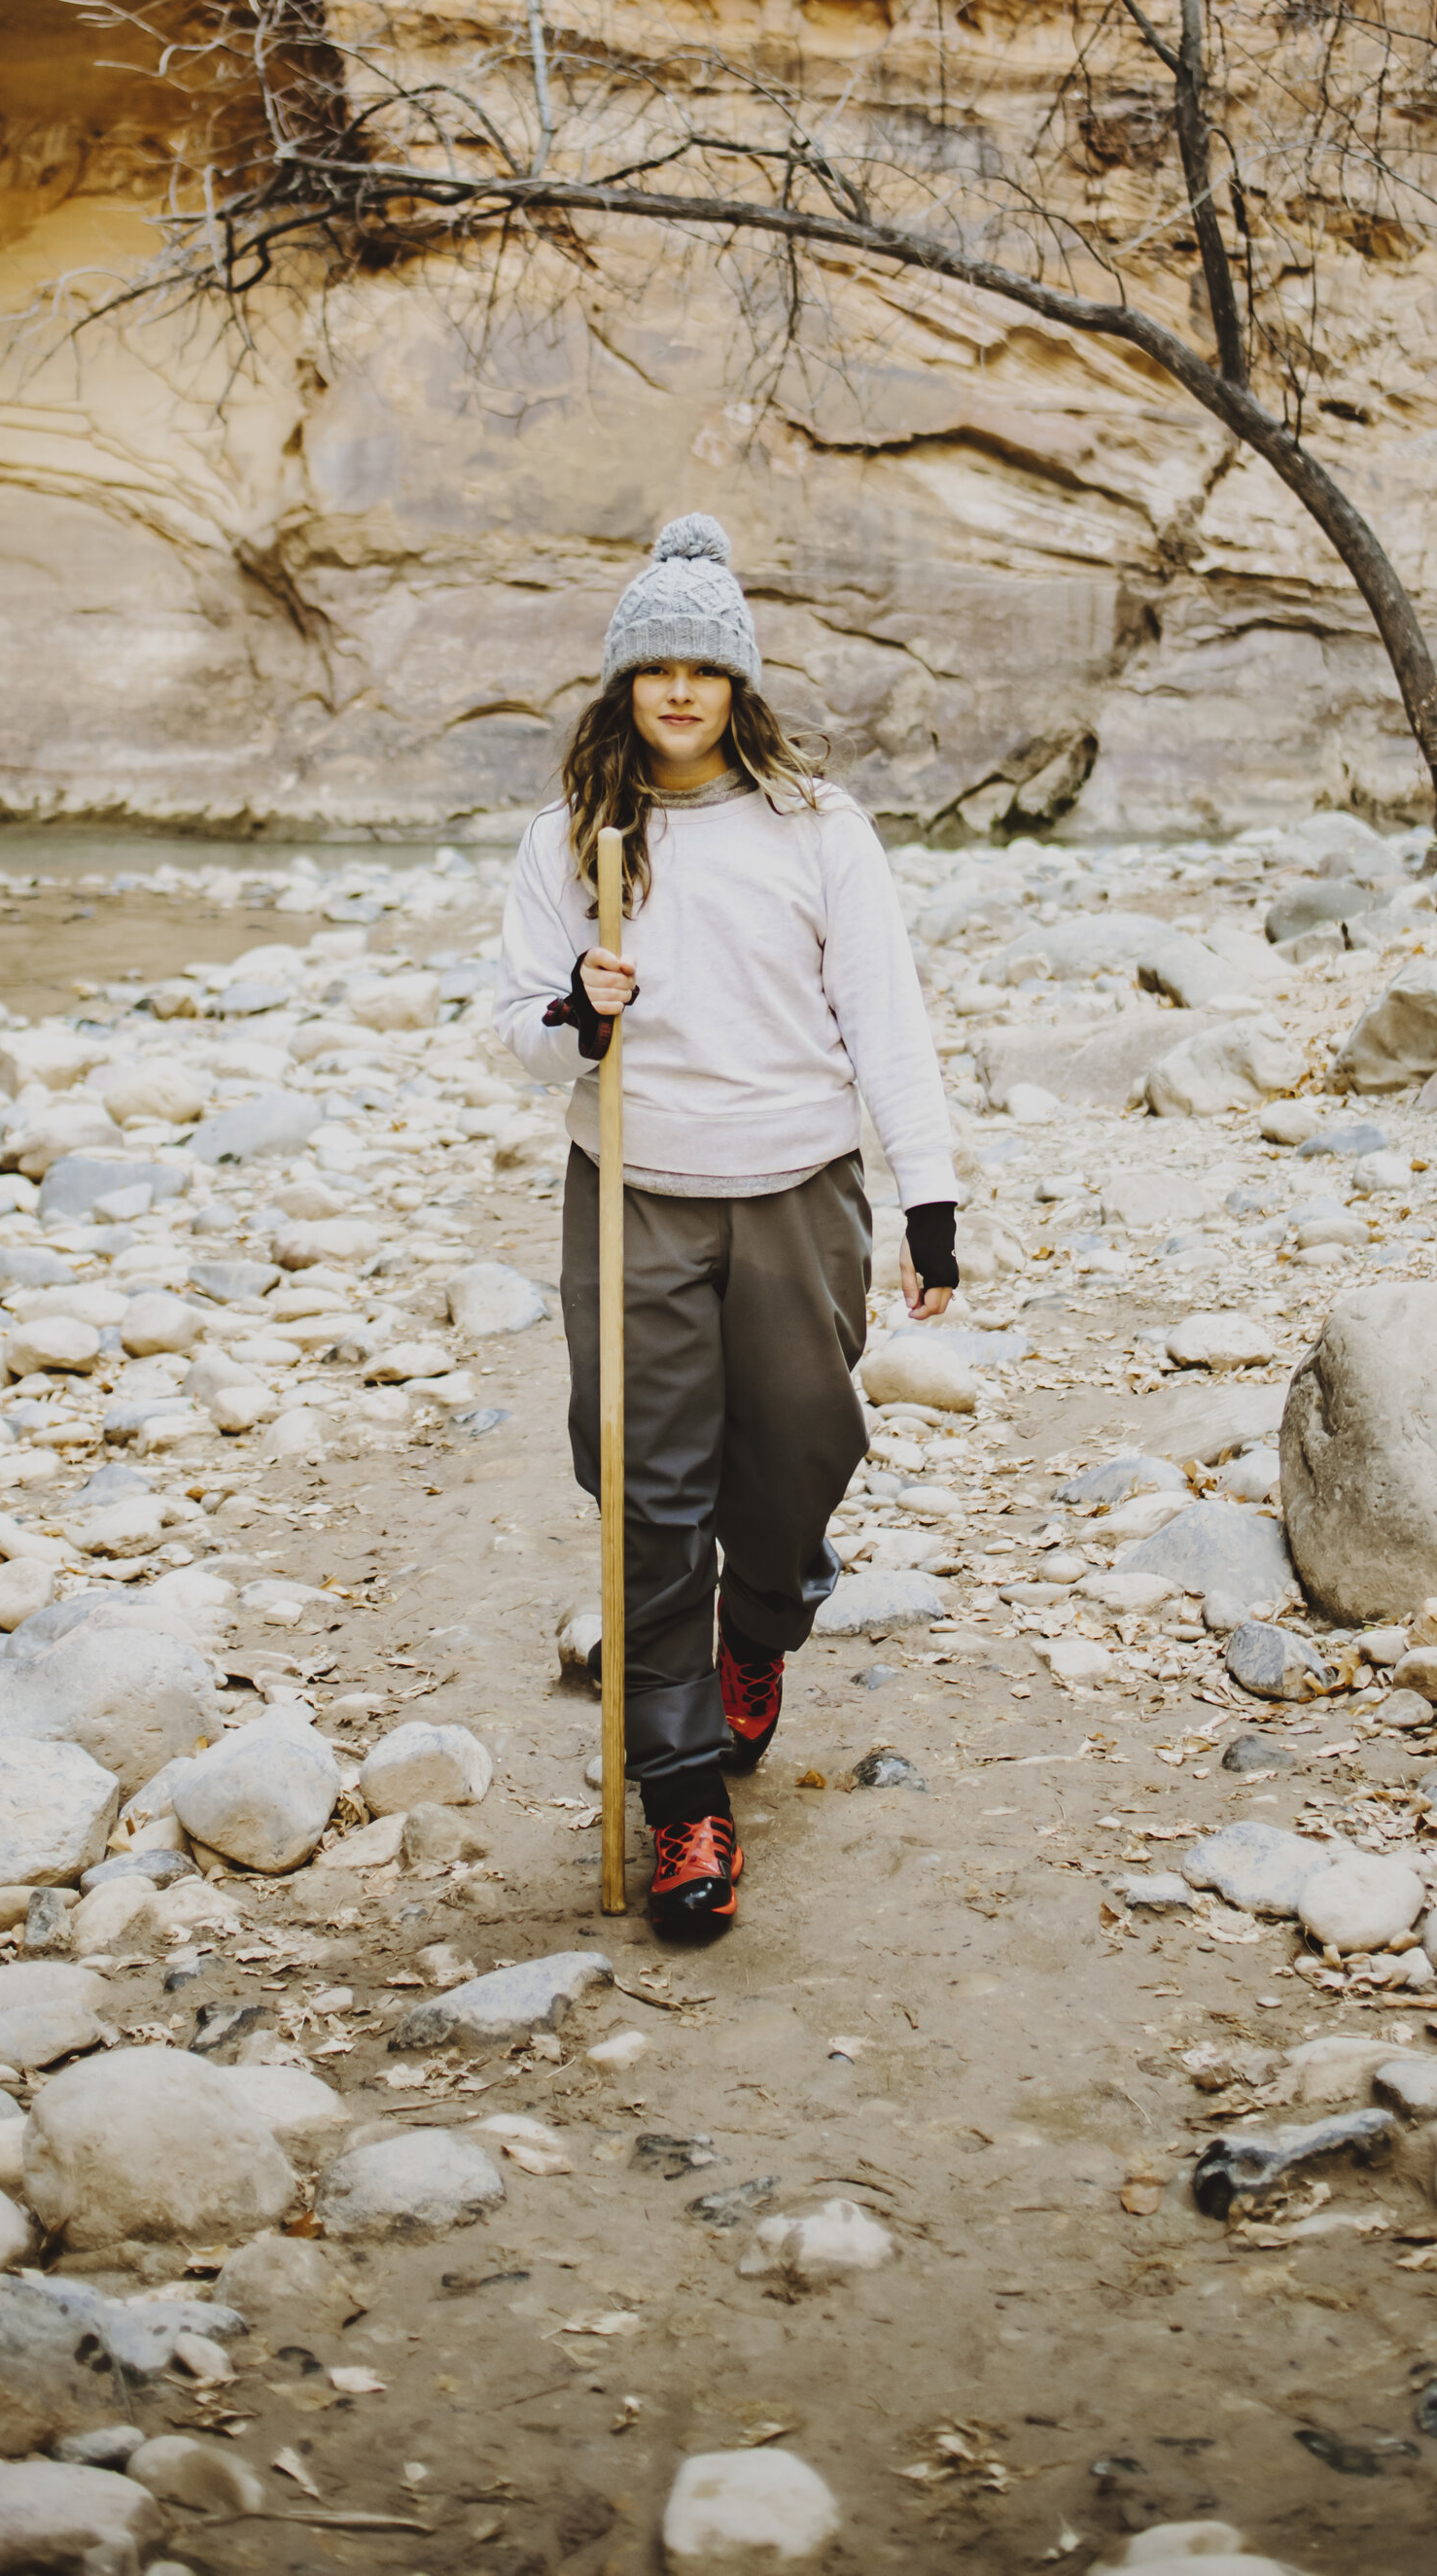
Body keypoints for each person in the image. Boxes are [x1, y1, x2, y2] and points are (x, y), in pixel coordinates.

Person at [494, 514, 958, 1941]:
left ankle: (761, 1619)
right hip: (633, 1188)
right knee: (646, 1490)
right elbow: (514, 1029)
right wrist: (578, 1002)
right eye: (655, 668)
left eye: (705, 667)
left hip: (801, 1183)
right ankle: (683, 1791)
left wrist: (928, 1196)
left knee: (804, 1453)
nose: (679, 691)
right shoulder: (579, 838)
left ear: (738, 685)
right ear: (624, 685)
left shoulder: (820, 828)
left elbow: (887, 1016)